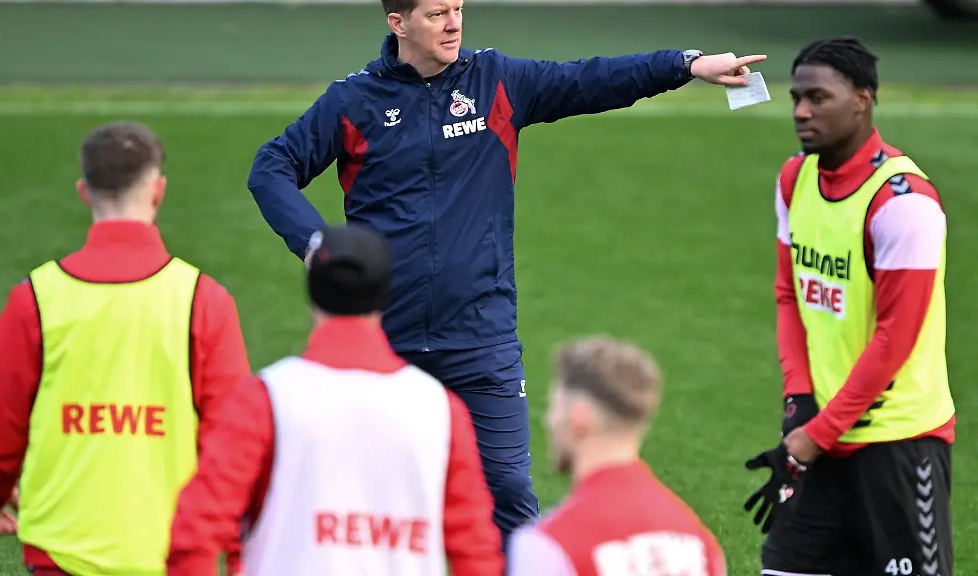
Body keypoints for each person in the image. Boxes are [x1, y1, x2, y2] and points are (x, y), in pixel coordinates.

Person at [246, 0, 766, 542]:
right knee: (367, 506)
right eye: (436, 13)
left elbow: (591, 79)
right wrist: (318, 247)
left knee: (510, 498)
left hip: (480, 340)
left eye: (458, 9)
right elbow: (272, 168)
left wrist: (685, 65)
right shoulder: (354, 101)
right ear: (397, 23)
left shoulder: (497, 82)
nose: (453, 23)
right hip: (383, 340)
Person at [0, 121, 251, 576]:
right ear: (158, 191)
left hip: (61, 551)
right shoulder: (204, 299)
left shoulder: (36, 298)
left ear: (84, 192)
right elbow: (235, 442)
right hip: (175, 554)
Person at [165, 223, 503, 576]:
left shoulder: (266, 398)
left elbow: (195, 533)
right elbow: (476, 552)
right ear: (385, 295)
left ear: (312, 292)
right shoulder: (440, 410)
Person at [743, 37, 954, 576]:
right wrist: (799, 400)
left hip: (898, 443)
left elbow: (894, 341)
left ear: (862, 99)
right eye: (796, 98)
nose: (801, 111)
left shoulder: (904, 205)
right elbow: (789, 293)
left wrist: (815, 434)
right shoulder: (795, 178)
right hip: (821, 434)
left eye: (818, 97)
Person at [506, 337, 727, 576]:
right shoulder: (698, 541)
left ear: (579, 419)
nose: (549, 420)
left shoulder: (548, 544)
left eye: (556, 407)